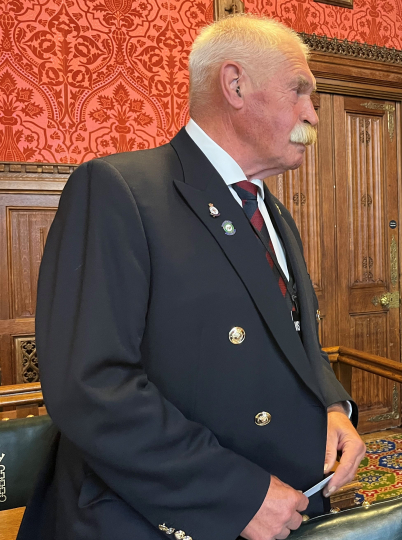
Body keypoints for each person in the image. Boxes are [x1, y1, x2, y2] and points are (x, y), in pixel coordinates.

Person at [19, 14, 365, 540]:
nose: (312, 114)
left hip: (280, 504)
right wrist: (235, 494)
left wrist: (331, 406)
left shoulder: (268, 208)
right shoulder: (118, 190)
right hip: (155, 516)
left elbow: (288, 335)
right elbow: (92, 386)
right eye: (299, 91)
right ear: (235, 85)